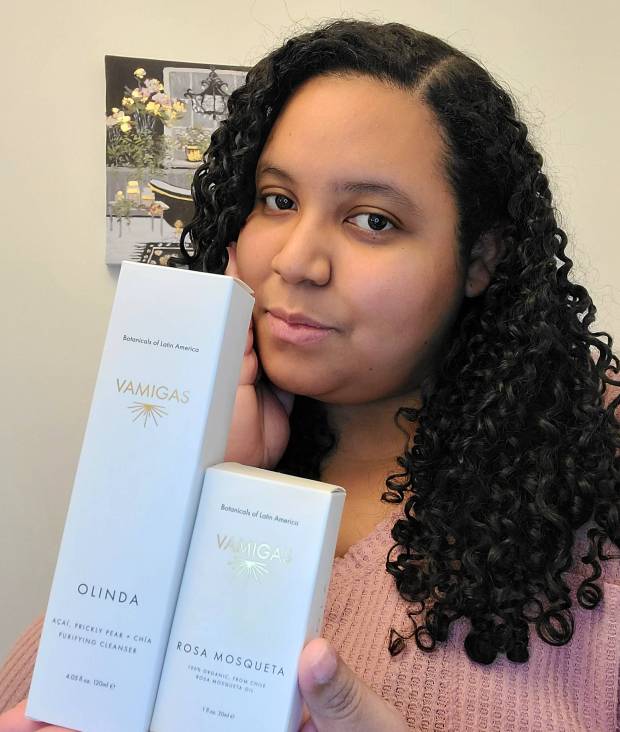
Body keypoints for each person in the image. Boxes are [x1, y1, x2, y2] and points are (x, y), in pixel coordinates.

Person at [1, 18, 619, 732]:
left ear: (479, 259)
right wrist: (197, 479)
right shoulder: (210, 436)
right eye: (278, 200)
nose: (295, 261)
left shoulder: (588, 492)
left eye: (373, 220)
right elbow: (53, 687)